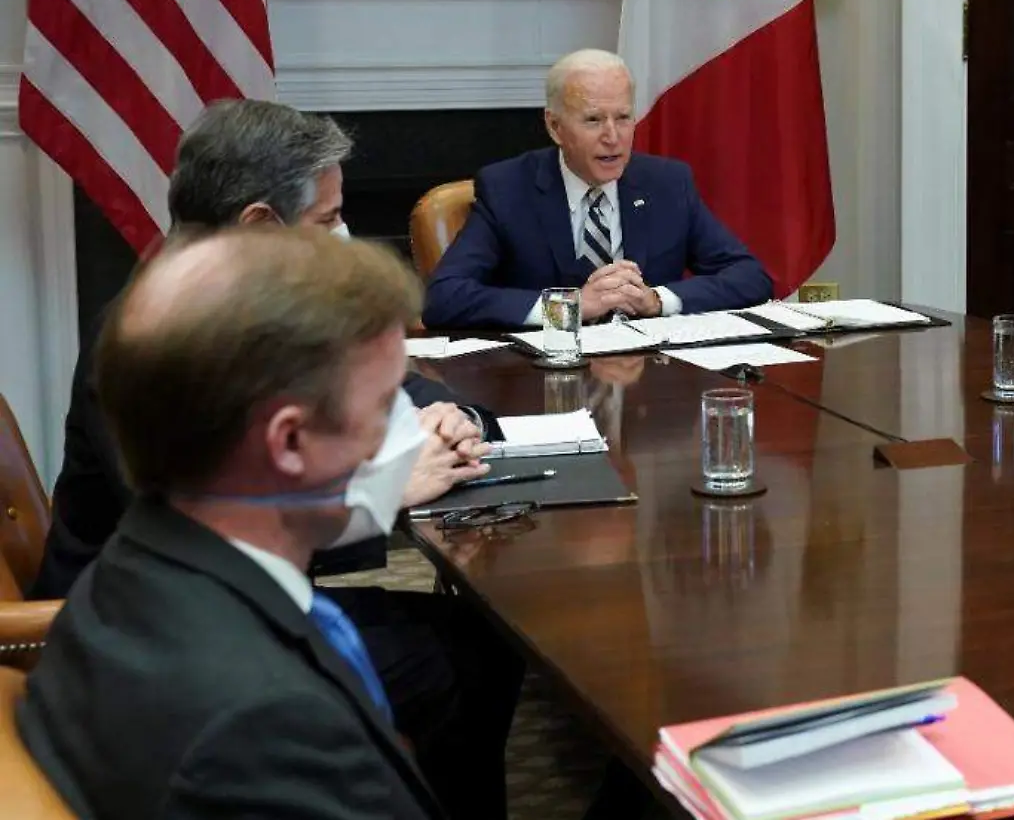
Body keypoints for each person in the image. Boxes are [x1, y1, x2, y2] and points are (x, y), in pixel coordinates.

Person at [32, 99, 522, 820]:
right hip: (178, 649)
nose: (386, 438)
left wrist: (450, 416)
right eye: (329, 219)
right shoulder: (161, 339)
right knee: (462, 653)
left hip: (186, 610)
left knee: (477, 643)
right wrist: (381, 493)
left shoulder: (235, 310)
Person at [19, 228, 449, 818]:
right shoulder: (268, 727)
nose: (407, 435)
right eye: (385, 407)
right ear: (289, 441)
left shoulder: (129, 570)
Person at [422, 49, 773, 328]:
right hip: (547, 377)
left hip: (650, 377)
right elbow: (444, 297)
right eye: (593, 120)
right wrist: (569, 306)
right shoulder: (508, 188)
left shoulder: (667, 183)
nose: (612, 137)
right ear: (555, 127)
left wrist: (656, 300)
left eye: (623, 118)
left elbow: (751, 277)